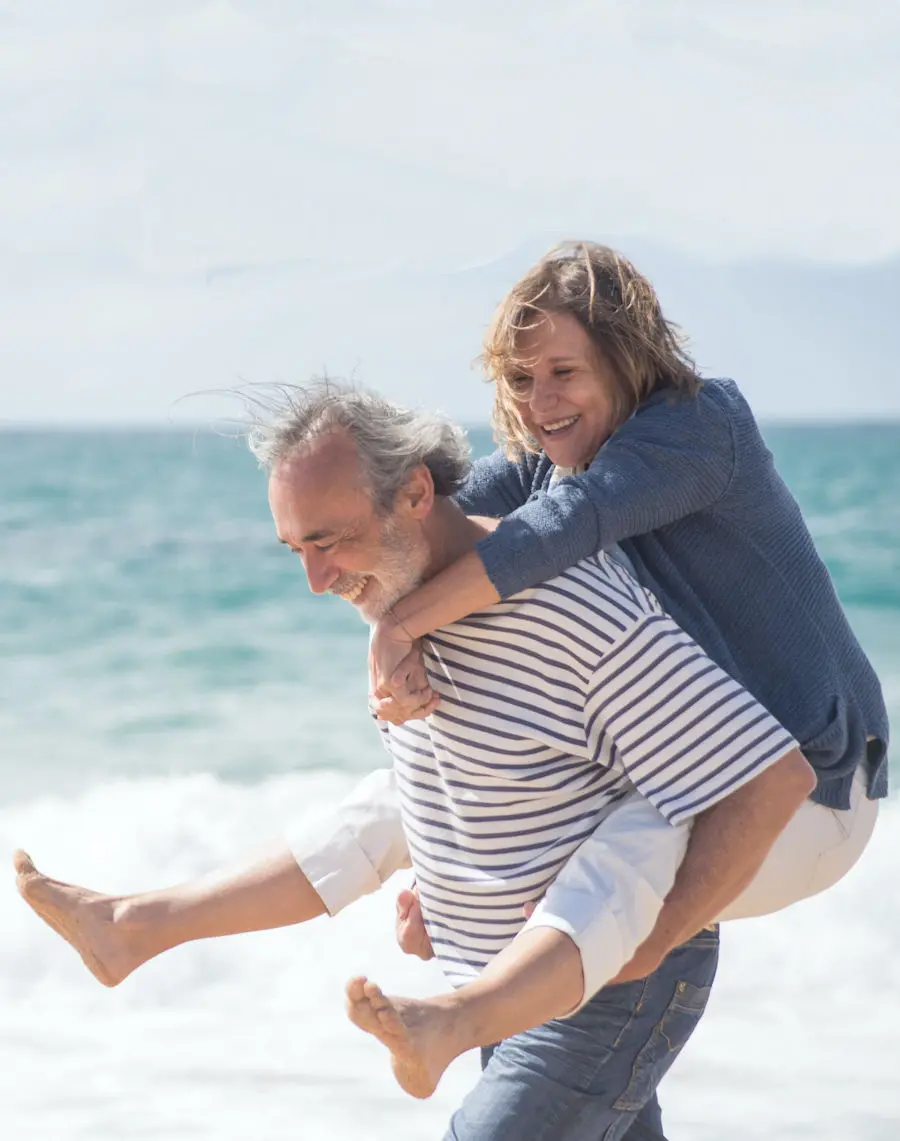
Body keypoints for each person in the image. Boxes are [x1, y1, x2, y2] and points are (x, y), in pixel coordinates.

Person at [19, 383, 827, 1140]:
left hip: (613, 984)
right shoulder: (399, 618)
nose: (314, 579)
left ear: (414, 494)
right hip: (506, 984)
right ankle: (140, 924)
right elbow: (473, 805)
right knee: (382, 803)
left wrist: (655, 943)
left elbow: (771, 777)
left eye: (329, 541)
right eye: (296, 548)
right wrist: (444, 907)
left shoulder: (570, 603)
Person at [368, 240, 888, 969]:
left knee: (581, 881)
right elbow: (430, 531)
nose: (540, 401)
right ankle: (164, 918)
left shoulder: (702, 424)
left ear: (622, 358)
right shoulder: (549, 458)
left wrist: (401, 624)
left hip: (812, 794)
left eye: (562, 372)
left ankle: (521, 961)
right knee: (381, 805)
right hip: (694, 777)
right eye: (521, 378)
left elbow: (565, 523)